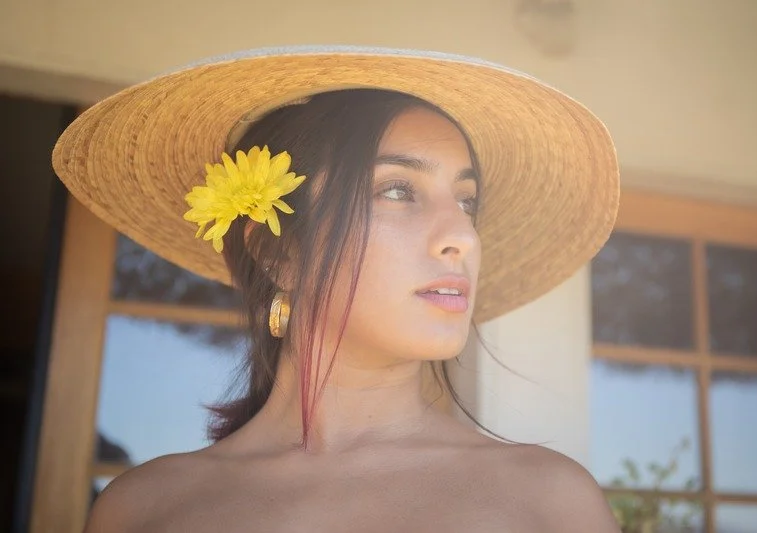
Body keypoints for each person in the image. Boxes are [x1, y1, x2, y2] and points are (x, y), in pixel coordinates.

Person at [53, 46, 621, 532]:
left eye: (466, 201)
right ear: (278, 250)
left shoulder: (552, 505)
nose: (462, 238)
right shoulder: (141, 510)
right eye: (398, 190)